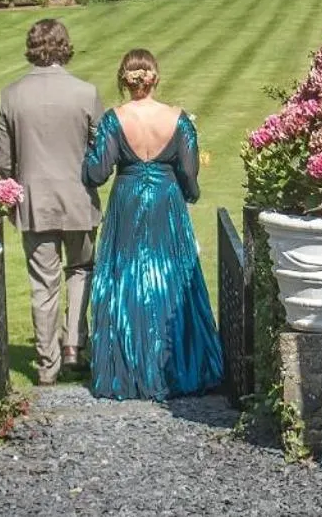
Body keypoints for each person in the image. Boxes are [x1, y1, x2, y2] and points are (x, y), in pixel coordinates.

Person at [83, 50, 223, 400]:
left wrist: (86, 155)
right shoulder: (179, 120)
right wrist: (188, 195)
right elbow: (189, 173)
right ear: (155, 78)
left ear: (123, 80)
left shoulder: (114, 120)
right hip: (166, 199)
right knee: (173, 275)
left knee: (126, 276)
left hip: (127, 198)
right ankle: (178, 367)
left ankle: (126, 370)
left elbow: (96, 172)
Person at [0, 19, 103, 386]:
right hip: (77, 198)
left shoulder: (11, 95)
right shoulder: (85, 93)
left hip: (34, 200)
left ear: (31, 47)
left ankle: (46, 364)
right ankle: (74, 343)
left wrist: (10, 197)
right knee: (81, 268)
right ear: (64, 46)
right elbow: (99, 153)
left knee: (43, 283)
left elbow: (4, 161)